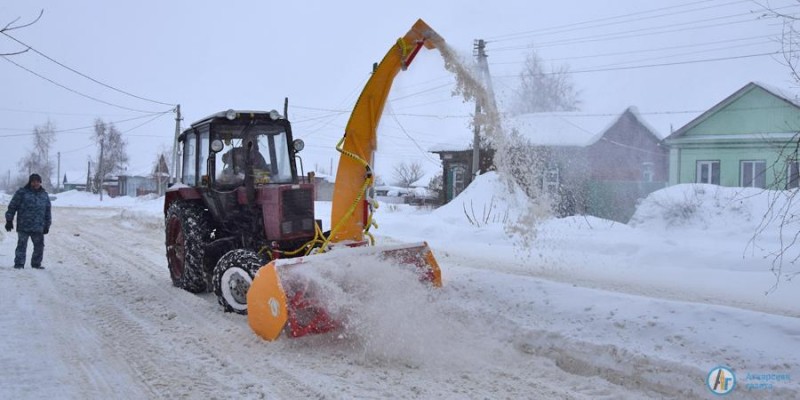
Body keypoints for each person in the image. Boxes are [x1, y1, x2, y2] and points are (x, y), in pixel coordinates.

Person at [5, 173, 52, 269]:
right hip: (23, 226)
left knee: (39, 247)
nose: (36, 183)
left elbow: (47, 211)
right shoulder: (22, 193)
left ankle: (36, 264)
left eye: (37, 181)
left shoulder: (44, 195)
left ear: (40, 182)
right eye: (33, 181)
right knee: (21, 246)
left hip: (38, 226)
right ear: (30, 182)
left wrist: (47, 225)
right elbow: (12, 206)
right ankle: (19, 264)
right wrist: (9, 220)